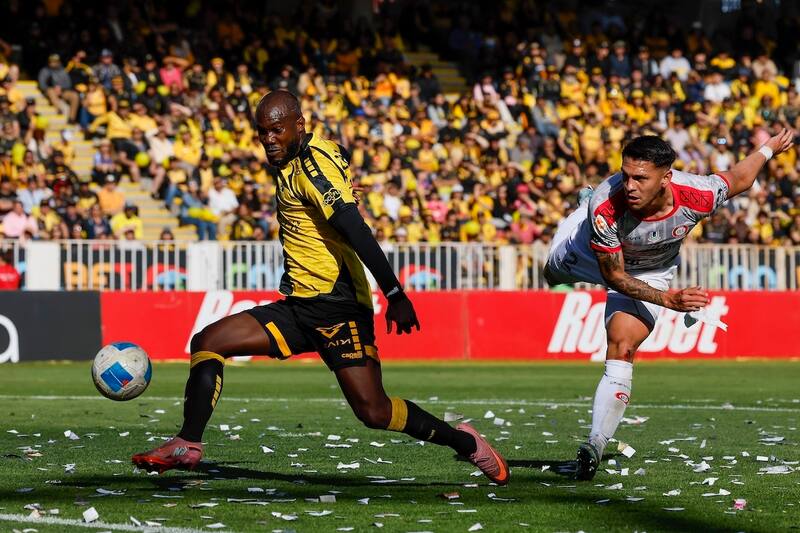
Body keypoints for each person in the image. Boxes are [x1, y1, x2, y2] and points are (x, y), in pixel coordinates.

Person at [132, 91, 509, 485]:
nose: (268, 139)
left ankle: (465, 443)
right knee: (209, 340)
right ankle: (187, 443)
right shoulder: (303, 157)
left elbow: (355, 228)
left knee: (375, 412)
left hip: (338, 306)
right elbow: (336, 154)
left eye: (277, 130)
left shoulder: (311, 169)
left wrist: (394, 294)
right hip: (298, 306)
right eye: (262, 132)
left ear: (300, 124)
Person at [543, 131, 795, 481]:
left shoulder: (698, 194)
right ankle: (577, 211)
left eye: (640, 178)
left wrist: (768, 149)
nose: (629, 185)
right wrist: (668, 300)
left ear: (666, 178)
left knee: (623, 342)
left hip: (652, 269)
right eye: (625, 174)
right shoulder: (607, 205)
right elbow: (614, 276)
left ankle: (594, 445)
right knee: (549, 273)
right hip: (591, 253)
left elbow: (739, 177)